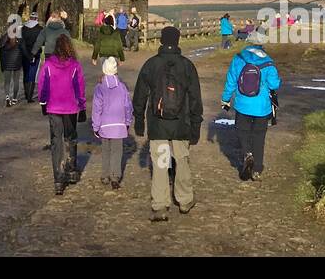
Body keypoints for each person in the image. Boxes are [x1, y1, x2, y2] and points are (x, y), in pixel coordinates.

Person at [132, 26, 203, 222]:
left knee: (161, 164)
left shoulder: (151, 65)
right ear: (178, 41)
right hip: (182, 124)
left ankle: (161, 205)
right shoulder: (187, 66)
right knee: (182, 161)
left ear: (162, 41)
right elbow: (195, 99)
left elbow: (140, 96)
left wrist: (139, 121)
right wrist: (196, 126)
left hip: (158, 124)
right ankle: (185, 200)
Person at [220, 32, 282, 181]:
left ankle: (247, 153)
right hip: (262, 107)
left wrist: (226, 99)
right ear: (262, 44)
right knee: (259, 136)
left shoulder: (238, 59)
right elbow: (274, 84)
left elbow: (231, 81)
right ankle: (257, 170)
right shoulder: (269, 62)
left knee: (242, 131)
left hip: (242, 105)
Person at [37, 33, 86, 194]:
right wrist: (82, 106)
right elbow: (80, 87)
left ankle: (58, 178)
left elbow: (43, 85)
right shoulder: (74, 65)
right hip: (70, 107)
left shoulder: (48, 65)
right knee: (70, 138)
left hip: (54, 107)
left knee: (56, 142)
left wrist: (43, 102)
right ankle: (71, 170)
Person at [92, 56, 131, 190]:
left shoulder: (99, 88)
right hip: (119, 126)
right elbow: (127, 107)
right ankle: (115, 176)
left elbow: (97, 109)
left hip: (104, 126)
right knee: (116, 151)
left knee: (106, 150)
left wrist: (95, 126)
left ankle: (105, 175)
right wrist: (127, 122)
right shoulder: (122, 87)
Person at [0, 30, 30, 107]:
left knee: (7, 82)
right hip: (17, 62)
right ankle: (14, 98)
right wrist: (30, 57)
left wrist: (2, 65)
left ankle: (7, 96)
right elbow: (24, 51)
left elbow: (0, 51)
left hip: (6, 63)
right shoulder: (20, 39)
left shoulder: (4, 39)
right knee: (16, 81)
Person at [21, 11, 44, 103]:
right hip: (35, 53)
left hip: (25, 54)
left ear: (29, 18)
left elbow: (21, 42)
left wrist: (26, 53)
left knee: (25, 73)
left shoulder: (23, 29)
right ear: (37, 19)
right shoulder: (40, 29)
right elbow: (42, 42)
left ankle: (27, 94)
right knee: (32, 74)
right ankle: (29, 97)